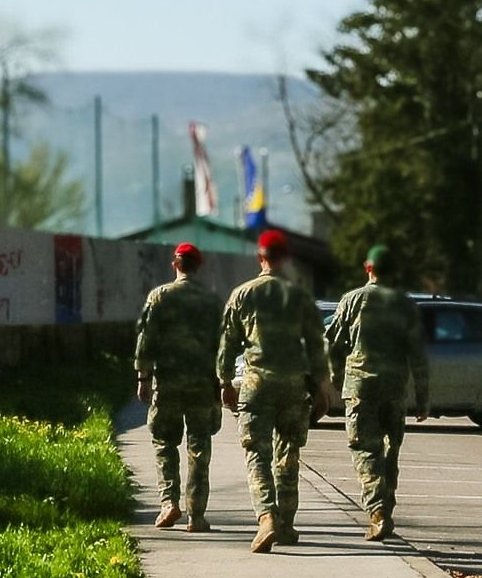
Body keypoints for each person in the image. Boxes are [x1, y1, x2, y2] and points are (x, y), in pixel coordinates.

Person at [218, 229, 334, 552]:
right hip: (294, 387)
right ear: (286, 259)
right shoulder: (300, 298)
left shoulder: (243, 294)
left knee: (257, 453)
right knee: (288, 455)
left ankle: (266, 517)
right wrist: (323, 388)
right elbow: (316, 346)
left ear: (261, 257)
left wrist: (225, 382)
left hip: (256, 386)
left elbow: (227, 345)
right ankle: (285, 525)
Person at [324, 243, 430, 542]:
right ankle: (387, 510)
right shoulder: (405, 305)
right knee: (390, 451)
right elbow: (418, 355)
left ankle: (378, 513)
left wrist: (336, 376)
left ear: (368, 268)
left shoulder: (352, 300)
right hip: (395, 387)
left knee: (365, 450)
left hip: (361, 386)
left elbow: (332, 342)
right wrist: (423, 397)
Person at [134, 242, 226, 530]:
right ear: (198, 267)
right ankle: (196, 514)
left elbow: (146, 339)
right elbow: (223, 345)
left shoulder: (159, 297)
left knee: (164, 442)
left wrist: (143, 378)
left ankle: (168, 503)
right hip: (202, 384)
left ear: (175, 264)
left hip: (168, 383)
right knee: (199, 446)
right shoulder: (212, 302)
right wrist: (223, 383)